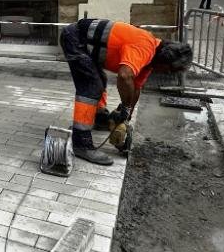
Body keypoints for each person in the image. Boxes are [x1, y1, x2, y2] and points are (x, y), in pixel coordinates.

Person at [60, 18, 192, 165]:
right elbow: (124, 76)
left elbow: (135, 88)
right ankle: (81, 142)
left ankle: (98, 118)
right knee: (91, 86)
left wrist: (124, 119)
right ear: (165, 61)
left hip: (84, 43)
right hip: (74, 38)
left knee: (99, 80)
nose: (166, 74)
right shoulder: (145, 47)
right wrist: (125, 106)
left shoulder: (151, 59)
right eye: (168, 70)